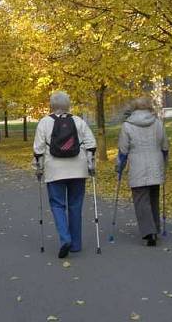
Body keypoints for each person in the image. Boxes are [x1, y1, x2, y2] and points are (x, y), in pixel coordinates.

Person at [32, 91, 97, 258]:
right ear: (68, 105)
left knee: (57, 205)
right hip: (78, 169)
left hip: (55, 171)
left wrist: (38, 169)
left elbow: (38, 150)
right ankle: (75, 244)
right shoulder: (78, 121)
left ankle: (65, 238)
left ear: (51, 105)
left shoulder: (44, 123)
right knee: (75, 205)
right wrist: (90, 164)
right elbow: (91, 144)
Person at [116, 97, 169, 246]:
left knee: (141, 200)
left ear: (134, 108)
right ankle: (155, 229)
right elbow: (165, 145)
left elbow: (123, 150)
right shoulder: (158, 123)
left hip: (137, 166)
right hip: (155, 163)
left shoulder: (127, 126)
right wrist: (165, 162)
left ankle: (148, 232)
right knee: (153, 198)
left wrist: (119, 167)